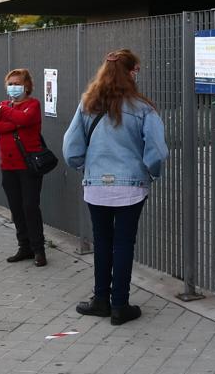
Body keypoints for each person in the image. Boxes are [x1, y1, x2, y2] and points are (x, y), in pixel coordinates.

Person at [62, 49, 168, 325]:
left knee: (102, 242)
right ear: (132, 72)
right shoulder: (144, 108)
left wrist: (85, 168)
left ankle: (100, 300)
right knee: (123, 244)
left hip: (96, 186)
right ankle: (120, 305)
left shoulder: (88, 104)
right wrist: (152, 173)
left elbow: (71, 147)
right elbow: (156, 151)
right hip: (131, 187)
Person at [0, 68, 48, 267]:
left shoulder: (33, 104)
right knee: (16, 208)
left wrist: (4, 113)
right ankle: (24, 247)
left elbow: (25, 119)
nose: (13, 87)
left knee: (30, 206)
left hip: (28, 166)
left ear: (27, 86)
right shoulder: (6, 105)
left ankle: (39, 249)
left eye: (17, 84)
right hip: (8, 166)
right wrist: (13, 124)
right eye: (10, 84)